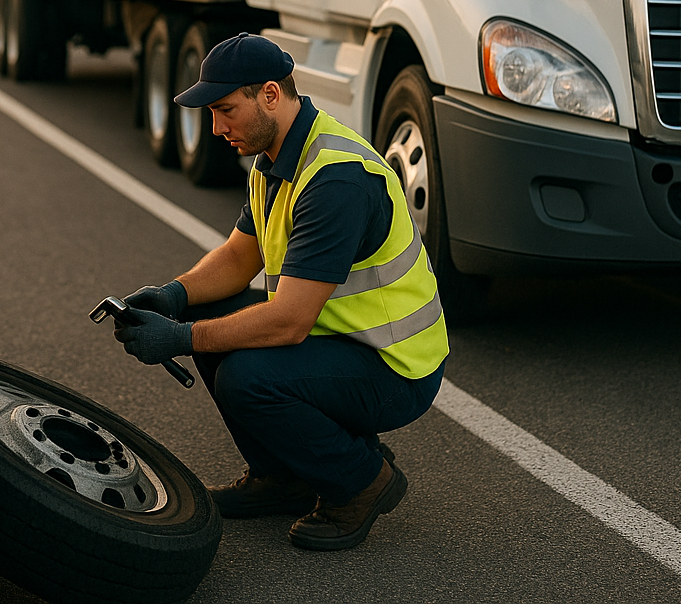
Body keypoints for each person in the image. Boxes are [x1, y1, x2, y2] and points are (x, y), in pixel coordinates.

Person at [114, 32, 448, 550]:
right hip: (343, 341)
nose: (217, 127)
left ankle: (361, 481)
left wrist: (180, 338)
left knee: (245, 376)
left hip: (396, 367)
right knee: (213, 311)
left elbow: (290, 320)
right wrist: (174, 296)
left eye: (226, 109)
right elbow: (238, 257)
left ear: (270, 94)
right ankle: (284, 476)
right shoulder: (272, 156)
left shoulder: (334, 178)